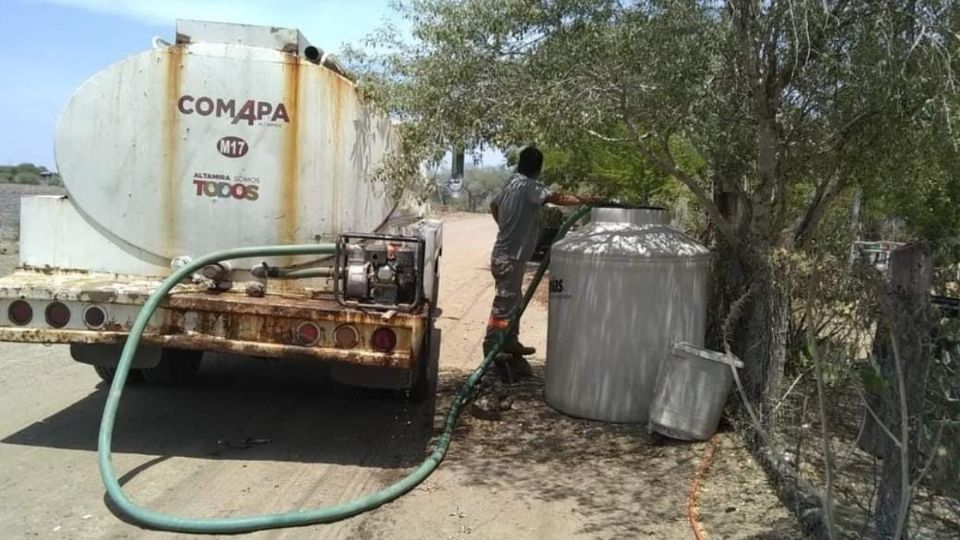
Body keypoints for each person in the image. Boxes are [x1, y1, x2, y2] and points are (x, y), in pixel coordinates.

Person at [471, 146, 598, 420]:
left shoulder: (511, 183)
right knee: (504, 307)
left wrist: (506, 226)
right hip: (510, 257)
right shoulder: (529, 186)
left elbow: (494, 205)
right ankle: (492, 349)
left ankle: (511, 342)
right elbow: (557, 197)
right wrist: (587, 199)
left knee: (512, 300)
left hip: (506, 256)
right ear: (538, 167)